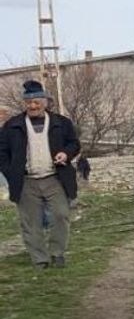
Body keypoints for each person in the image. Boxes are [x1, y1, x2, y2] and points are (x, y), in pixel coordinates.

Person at [0, 80, 81, 268]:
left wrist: (66, 154)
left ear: (45, 102)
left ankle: (57, 253)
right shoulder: (12, 126)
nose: (33, 106)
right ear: (25, 103)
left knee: (61, 215)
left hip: (55, 178)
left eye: (37, 102)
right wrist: (11, 172)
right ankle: (40, 259)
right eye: (29, 102)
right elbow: (1, 152)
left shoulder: (61, 123)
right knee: (31, 222)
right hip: (26, 180)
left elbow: (74, 144)